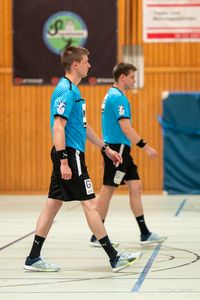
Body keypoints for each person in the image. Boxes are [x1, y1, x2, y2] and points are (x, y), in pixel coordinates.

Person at [23, 47, 142, 273]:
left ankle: (33, 257)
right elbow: (58, 126)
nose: (90, 65)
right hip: (70, 154)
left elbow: (82, 127)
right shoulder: (66, 90)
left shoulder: (74, 91)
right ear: (75, 65)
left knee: (52, 204)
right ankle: (114, 257)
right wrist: (64, 160)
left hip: (71, 153)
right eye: (87, 62)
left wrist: (105, 148)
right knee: (90, 204)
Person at [90, 62, 167, 247]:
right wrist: (146, 146)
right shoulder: (118, 97)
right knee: (107, 189)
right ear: (122, 77)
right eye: (132, 77)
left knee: (136, 186)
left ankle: (144, 233)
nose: (134, 80)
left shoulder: (113, 95)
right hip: (118, 149)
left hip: (121, 148)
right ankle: (96, 236)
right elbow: (126, 127)